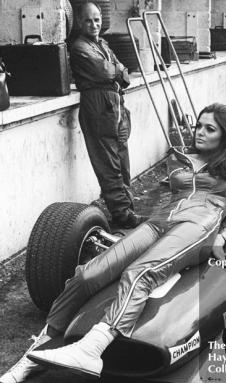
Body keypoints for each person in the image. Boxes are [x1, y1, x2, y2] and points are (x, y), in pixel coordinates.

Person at [0, 104, 226, 383]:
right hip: (159, 221)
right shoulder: (180, 157)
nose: (200, 132)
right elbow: (174, 198)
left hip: (199, 227)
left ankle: (92, 349)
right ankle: (37, 352)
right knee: (87, 274)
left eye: (210, 129)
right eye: (198, 126)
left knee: (140, 272)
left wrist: (222, 238)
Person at [70, 1, 144, 230]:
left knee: (122, 162)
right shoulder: (79, 46)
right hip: (98, 106)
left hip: (116, 106)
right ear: (80, 22)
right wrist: (116, 71)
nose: (93, 24)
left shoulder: (102, 43)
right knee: (108, 164)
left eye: (97, 20)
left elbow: (124, 73)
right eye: (88, 20)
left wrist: (117, 71)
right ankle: (121, 214)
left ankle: (128, 209)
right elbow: (105, 70)